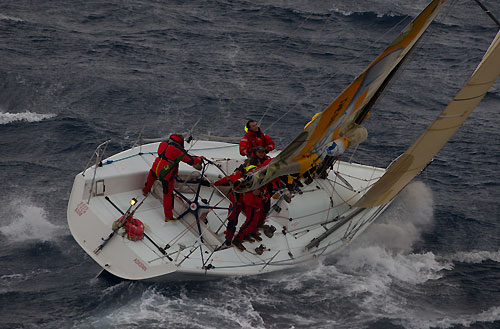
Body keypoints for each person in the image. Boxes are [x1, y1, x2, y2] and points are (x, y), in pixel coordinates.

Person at [142, 134, 204, 222]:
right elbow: (191, 161)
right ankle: (168, 217)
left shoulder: (163, 143)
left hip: (156, 166)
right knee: (168, 195)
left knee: (151, 176)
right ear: (180, 141)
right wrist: (199, 159)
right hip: (166, 173)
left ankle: (145, 190)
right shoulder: (178, 149)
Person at [231, 159, 269, 252]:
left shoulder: (259, 177)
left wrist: (263, 194)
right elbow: (251, 189)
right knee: (250, 221)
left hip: (257, 202)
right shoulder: (251, 177)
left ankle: (249, 233)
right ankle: (238, 239)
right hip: (251, 202)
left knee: (255, 220)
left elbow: (264, 188)